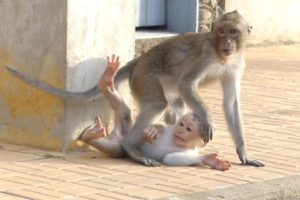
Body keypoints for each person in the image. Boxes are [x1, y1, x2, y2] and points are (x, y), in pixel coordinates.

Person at [78, 55, 231, 170]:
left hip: (126, 148)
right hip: (130, 134)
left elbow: (170, 159)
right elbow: (163, 127)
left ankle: (90, 138)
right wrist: (155, 128)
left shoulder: (190, 154)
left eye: (188, 129)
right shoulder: (172, 132)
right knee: (124, 112)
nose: (180, 129)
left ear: (201, 142)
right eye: (182, 124)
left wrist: (201, 160)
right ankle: (108, 88)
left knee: (118, 150)